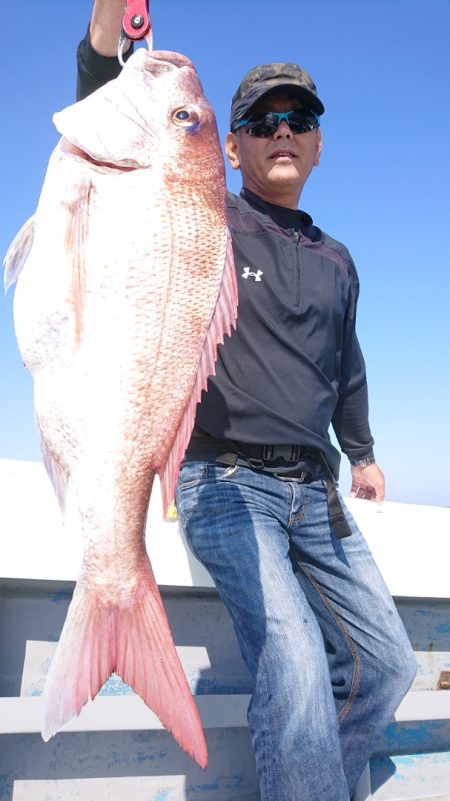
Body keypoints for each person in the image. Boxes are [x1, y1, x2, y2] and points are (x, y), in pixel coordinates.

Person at [77, 4, 417, 800]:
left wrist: (363, 455)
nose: (282, 131)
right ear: (230, 149)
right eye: (262, 122)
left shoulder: (339, 260)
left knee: (390, 665)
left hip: (316, 493)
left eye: (299, 119)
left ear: (320, 144)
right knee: (295, 666)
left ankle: (309, 782)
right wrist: (106, 40)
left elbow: (347, 365)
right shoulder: (205, 215)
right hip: (225, 484)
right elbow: (115, 129)